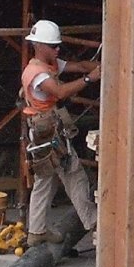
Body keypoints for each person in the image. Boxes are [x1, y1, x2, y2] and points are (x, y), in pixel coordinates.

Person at [20, 19, 100, 245]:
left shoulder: (49, 64)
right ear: (40, 46)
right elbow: (61, 91)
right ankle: (93, 220)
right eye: (53, 46)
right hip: (48, 133)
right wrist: (89, 79)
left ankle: (36, 231)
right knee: (74, 175)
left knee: (45, 179)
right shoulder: (37, 74)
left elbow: (79, 65)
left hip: (46, 130)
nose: (57, 49)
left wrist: (97, 66)